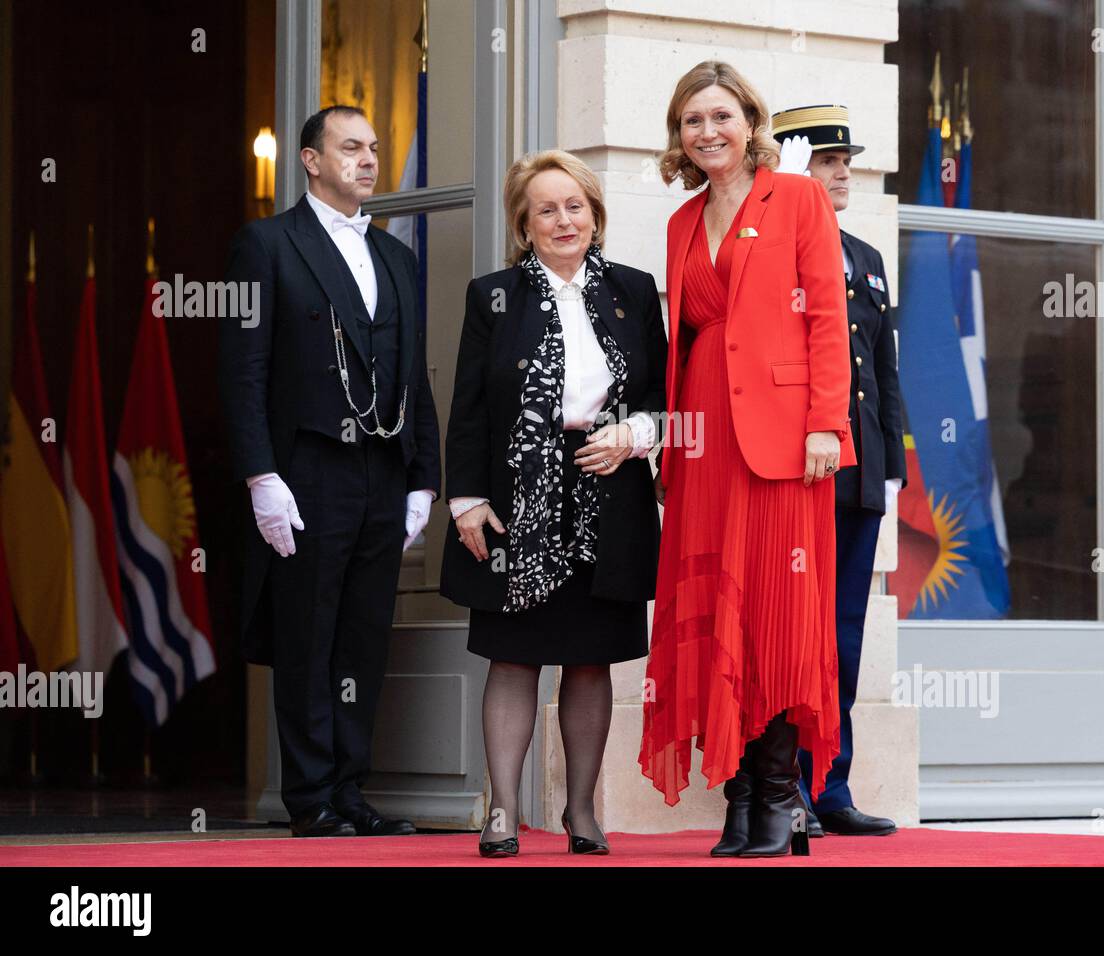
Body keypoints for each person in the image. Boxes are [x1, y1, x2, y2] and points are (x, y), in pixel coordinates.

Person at [639, 61, 855, 858]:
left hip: (787, 439)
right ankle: (736, 802)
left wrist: (826, 424)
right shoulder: (681, 222)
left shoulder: (795, 197)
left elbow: (827, 316)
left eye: (721, 116)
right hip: (704, 442)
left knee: (774, 615)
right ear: (679, 135)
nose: (708, 132)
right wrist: (669, 446)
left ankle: (776, 800)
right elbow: (686, 341)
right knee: (715, 617)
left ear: (751, 122)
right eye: (692, 120)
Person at [219, 105, 441, 837]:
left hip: (382, 470)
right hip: (307, 471)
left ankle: (351, 791)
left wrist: (422, 478)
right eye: (350, 148)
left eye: (373, 148)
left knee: (363, 637)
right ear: (312, 161)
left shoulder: (397, 259)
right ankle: (310, 797)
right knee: (308, 637)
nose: (368, 160)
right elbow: (243, 373)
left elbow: (416, 379)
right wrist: (261, 477)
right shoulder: (267, 245)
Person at [439, 149, 667, 858]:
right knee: (512, 657)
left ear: (595, 217)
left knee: (591, 658)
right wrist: (467, 501)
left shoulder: (635, 289)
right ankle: (502, 811)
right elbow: (469, 405)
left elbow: (663, 393)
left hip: (610, 492)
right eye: (546, 209)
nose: (563, 219)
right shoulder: (492, 296)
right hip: (515, 499)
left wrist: (635, 434)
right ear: (525, 224)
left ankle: (582, 813)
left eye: (575, 206)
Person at [772, 104, 905, 838]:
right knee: (794, 635)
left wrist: (890, 464)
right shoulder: (776, 247)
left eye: (845, 158)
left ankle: (831, 784)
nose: (843, 170)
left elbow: (882, 369)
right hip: (797, 472)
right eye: (826, 159)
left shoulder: (866, 256)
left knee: (842, 637)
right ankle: (780, 785)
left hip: (857, 476)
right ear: (793, 165)